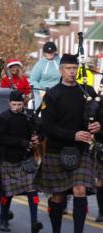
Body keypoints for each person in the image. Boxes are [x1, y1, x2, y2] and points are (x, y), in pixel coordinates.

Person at [34, 54, 101, 233]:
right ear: (61, 70)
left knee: (80, 190)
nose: (72, 72)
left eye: (74, 68)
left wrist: (98, 124)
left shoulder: (87, 92)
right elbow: (48, 127)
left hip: (81, 151)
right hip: (57, 150)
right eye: (68, 69)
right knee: (58, 196)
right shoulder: (52, 95)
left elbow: (99, 115)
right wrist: (74, 135)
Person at [0, 90, 43, 232]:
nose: (17, 107)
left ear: (23, 103)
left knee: (32, 190)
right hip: (9, 159)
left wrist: (38, 137)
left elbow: (41, 128)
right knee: (7, 193)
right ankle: (3, 218)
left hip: (26, 159)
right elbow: (0, 138)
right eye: (14, 104)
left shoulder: (29, 115)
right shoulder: (4, 117)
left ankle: (34, 222)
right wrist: (22, 142)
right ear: (9, 103)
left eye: (19, 104)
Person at [30, 42, 61, 109]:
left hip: (58, 91)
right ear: (44, 53)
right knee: (40, 106)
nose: (50, 54)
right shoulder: (39, 64)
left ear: (54, 52)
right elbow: (33, 80)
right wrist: (40, 91)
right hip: (42, 92)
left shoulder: (61, 62)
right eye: (48, 52)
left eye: (51, 52)